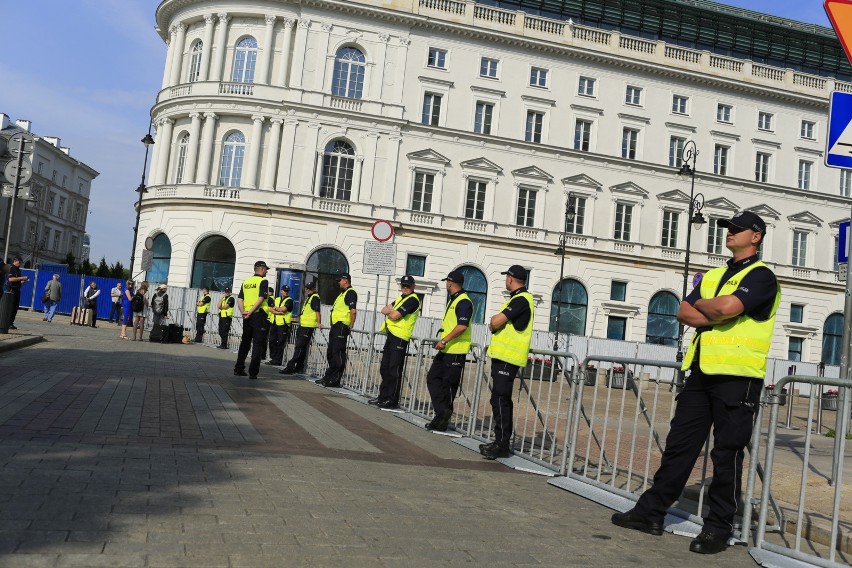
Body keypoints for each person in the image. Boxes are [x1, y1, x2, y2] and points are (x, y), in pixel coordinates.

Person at [612, 211, 780, 555]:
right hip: (701, 372)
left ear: (756, 236)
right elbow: (683, 312)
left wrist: (707, 305)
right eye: (728, 228)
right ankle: (651, 513)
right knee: (679, 445)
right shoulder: (715, 274)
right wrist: (714, 308)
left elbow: (727, 305)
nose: (729, 233)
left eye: (737, 229)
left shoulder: (762, 276)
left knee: (726, 454)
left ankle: (719, 526)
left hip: (738, 376)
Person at [479, 265, 535, 460]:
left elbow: (495, 322)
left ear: (511, 279)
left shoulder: (521, 299)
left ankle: (502, 444)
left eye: (507, 278)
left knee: (501, 400)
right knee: (498, 399)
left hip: (507, 358)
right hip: (504, 357)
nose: (506, 280)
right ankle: (499, 441)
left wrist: (494, 322)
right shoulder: (518, 299)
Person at [425, 270, 473, 432]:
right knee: (433, 378)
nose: (446, 284)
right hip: (447, 350)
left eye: (447, 282)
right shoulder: (455, 300)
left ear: (450, 283)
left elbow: (462, 325)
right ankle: (442, 414)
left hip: (455, 350)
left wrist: (444, 340)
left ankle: (441, 419)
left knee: (447, 386)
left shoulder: (463, 301)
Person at [369, 275, 421, 410]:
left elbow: (394, 315)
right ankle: (383, 397)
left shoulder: (413, 300)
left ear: (413, 286)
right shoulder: (400, 299)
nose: (405, 288)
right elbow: (383, 309)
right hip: (391, 336)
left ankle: (392, 400)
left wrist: (392, 311)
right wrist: (392, 311)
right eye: (403, 285)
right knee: (385, 368)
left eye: (408, 285)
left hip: (400, 338)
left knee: (394, 370)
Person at [317, 272, 357, 388]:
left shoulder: (350, 293)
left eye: (340, 280)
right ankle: (329, 376)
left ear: (346, 280)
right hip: (335, 326)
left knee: (338, 354)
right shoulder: (342, 294)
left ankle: (335, 380)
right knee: (331, 353)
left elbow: (353, 311)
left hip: (341, 326)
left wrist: (350, 325)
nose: (338, 282)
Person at [234, 261, 271, 380]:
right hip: (258, 315)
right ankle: (253, 373)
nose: (266, 271)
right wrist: (250, 312)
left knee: (245, 342)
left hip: (247, 316)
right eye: (266, 269)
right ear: (261, 269)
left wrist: (243, 312)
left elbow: (239, 299)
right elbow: (261, 298)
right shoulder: (263, 281)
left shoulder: (246, 282)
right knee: (257, 344)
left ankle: (238, 369)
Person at [280, 281, 321, 375]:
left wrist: (319, 322)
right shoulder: (309, 298)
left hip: (308, 326)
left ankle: (290, 367)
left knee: (299, 347)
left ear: (314, 289)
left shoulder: (315, 298)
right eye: (306, 288)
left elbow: (317, 311)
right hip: (303, 325)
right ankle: (299, 367)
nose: (307, 290)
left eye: (310, 288)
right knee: (301, 348)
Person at [266, 285, 294, 366]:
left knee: (280, 342)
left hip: (283, 324)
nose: (286, 292)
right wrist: (278, 311)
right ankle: (273, 358)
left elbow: (284, 309)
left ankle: (278, 360)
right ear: (281, 291)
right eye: (284, 290)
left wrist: (275, 308)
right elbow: (270, 309)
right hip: (274, 322)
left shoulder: (289, 300)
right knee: (271, 341)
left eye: (287, 291)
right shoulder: (277, 299)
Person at [6, 256, 28, 330]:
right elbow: (11, 279)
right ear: (14, 261)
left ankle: (11, 323)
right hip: (11, 290)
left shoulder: (18, 270)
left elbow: (17, 280)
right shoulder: (11, 268)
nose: (20, 263)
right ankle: (7, 323)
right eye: (19, 262)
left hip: (17, 290)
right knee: (11, 307)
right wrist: (22, 278)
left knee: (15, 308)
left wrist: (22, 282)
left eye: (21, 262)